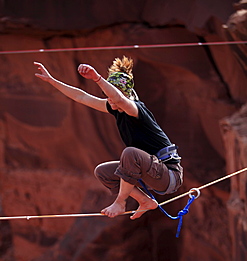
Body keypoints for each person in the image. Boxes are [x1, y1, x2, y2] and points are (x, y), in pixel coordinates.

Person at [34, 56, 183, 220]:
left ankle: (120, 202)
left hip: (169, 176)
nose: (109, 100)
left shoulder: (135, 110)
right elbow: (81, 97)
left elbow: (119, 98)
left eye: (111, 95)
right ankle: (145, 201)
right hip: (151, 173)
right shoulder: (114, 107)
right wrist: (52, 81)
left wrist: (97, 78)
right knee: (103, 172)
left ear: (124, 95)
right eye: (106, 95)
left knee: (130, 153)